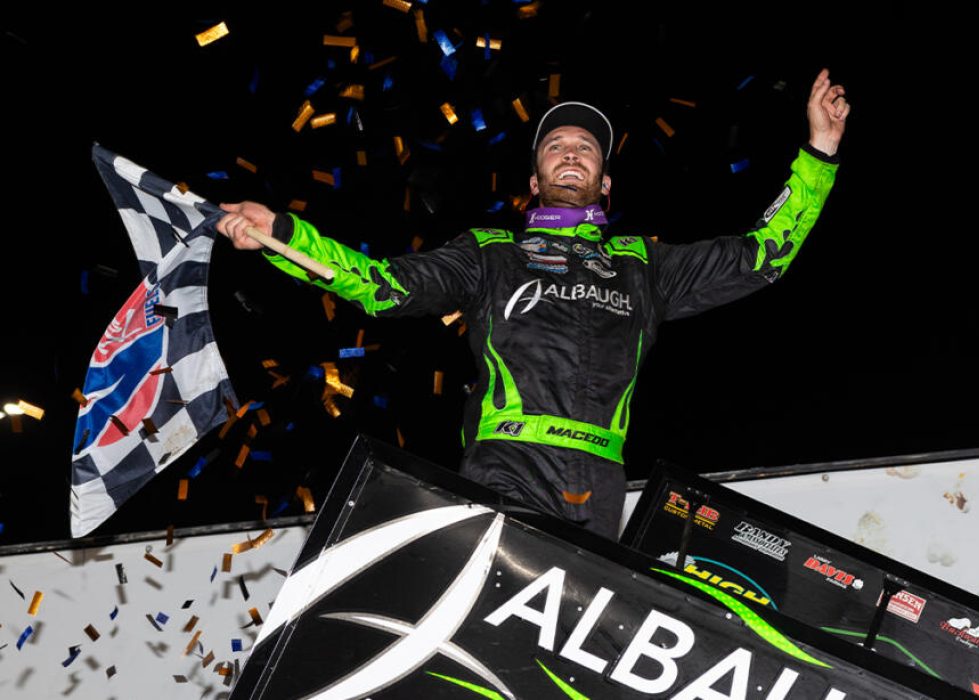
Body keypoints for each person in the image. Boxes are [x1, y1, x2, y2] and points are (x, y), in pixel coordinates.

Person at [216, 68, 850, 539]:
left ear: (605, 181)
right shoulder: (491, 252)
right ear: (533, 180)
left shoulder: (644, 264)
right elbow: (385, 287)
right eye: (555, 146)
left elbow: (762, 256)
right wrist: (283, 234)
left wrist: (818, 154)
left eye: (586, 148)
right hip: (506, 465)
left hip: (601, 482)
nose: (570, 152)